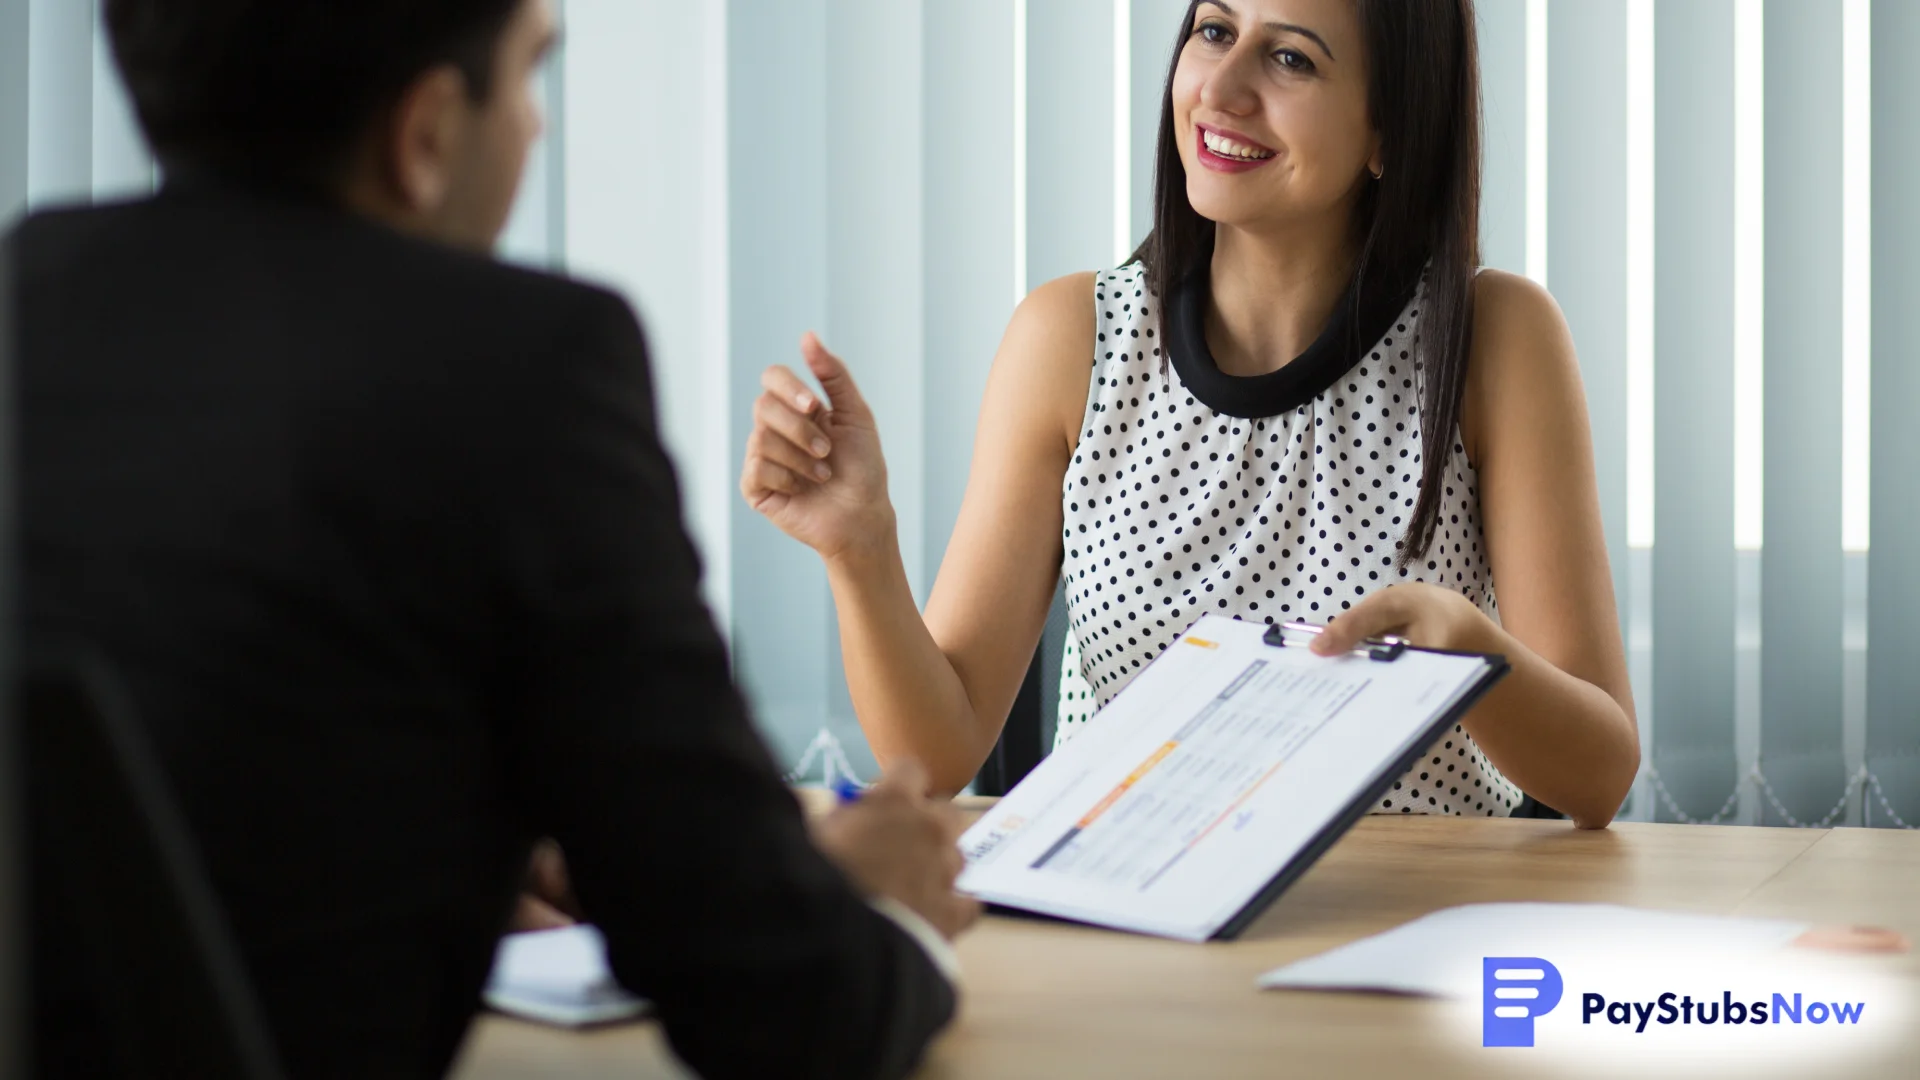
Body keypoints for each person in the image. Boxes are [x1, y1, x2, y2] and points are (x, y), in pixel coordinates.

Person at [14, 1, 975, 1077]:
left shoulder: (28, 298)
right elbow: (786, 1005)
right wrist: (872, 902)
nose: (536, 129)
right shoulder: (522, 366)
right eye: (527, 80)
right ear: (425, 134)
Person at [742, 0, 1640, 828]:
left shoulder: (1495, 339)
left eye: (1290, 58)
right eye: (1214, 30)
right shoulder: (1070, 338)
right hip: (1126, 929)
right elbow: (932, 757)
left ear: (1389, 132)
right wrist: (859, 550)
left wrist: (1472, 653)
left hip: (1400, 935)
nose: (1219, 87)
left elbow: (1599, 778)